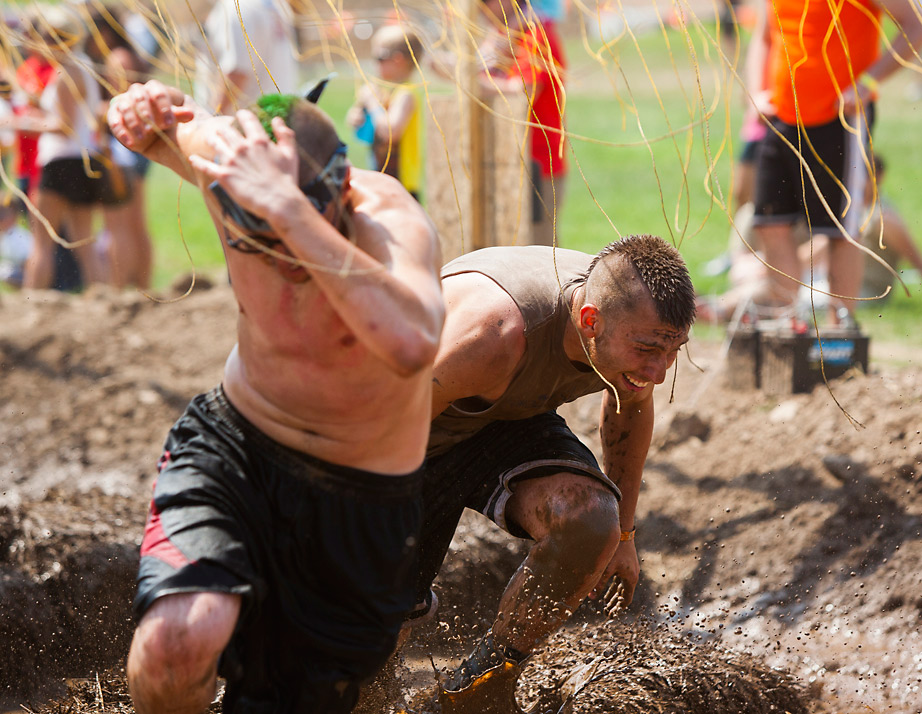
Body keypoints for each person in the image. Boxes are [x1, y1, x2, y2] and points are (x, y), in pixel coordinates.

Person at [107, 79, 444, 713]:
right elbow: (147, 126)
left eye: (296, 237)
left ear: (341, 195)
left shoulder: (388, 222)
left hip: (359, 501)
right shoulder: (226, 164)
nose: (282, 257)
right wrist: (136, 107)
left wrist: (286, 212)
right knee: (177, 641)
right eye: (259, 242)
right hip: (236, 445)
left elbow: (411, 343)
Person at [406, 236, 695, 711]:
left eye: (673, 350)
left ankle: (476, 690)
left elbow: (630, 407)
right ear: (589, 321)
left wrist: (624, 534)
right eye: (647, 350)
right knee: (368, 640)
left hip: (506, 421)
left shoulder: (625, 320)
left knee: (589, 520)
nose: (659, 371)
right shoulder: (494, 334)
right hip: (403, 435)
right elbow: (383, 422)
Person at [748, 0, 922, 324]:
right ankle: (790, 324)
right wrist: (757, 91)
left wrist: (867, 84)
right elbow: (765, 35)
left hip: (841, 118)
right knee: (770, 223)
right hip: (781, 116)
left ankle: (839, 332)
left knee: (841, 229)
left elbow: (915, 27)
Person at [478, 0, 567, 247]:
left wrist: (468, 79)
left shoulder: (537, 35)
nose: (480, 10)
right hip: (505, 157)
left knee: (539, 247)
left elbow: (526, 92)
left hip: (536, 158)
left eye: (485, 3)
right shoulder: (502, 35)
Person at [347, 24, 425, 200]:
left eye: (379, 57)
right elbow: (355, 123)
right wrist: (357, 115)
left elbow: (391, 131)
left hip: (403, 186)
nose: (374, 64)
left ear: (398, 60)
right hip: (386, 181)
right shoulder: (386, 93)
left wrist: (373, 103)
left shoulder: (407, 93)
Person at [193, 0, 298, 114]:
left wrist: (213, 117)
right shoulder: (273, 5)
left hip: (243, 123)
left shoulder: (236, 8)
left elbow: (236, 73)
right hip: (275, 116)